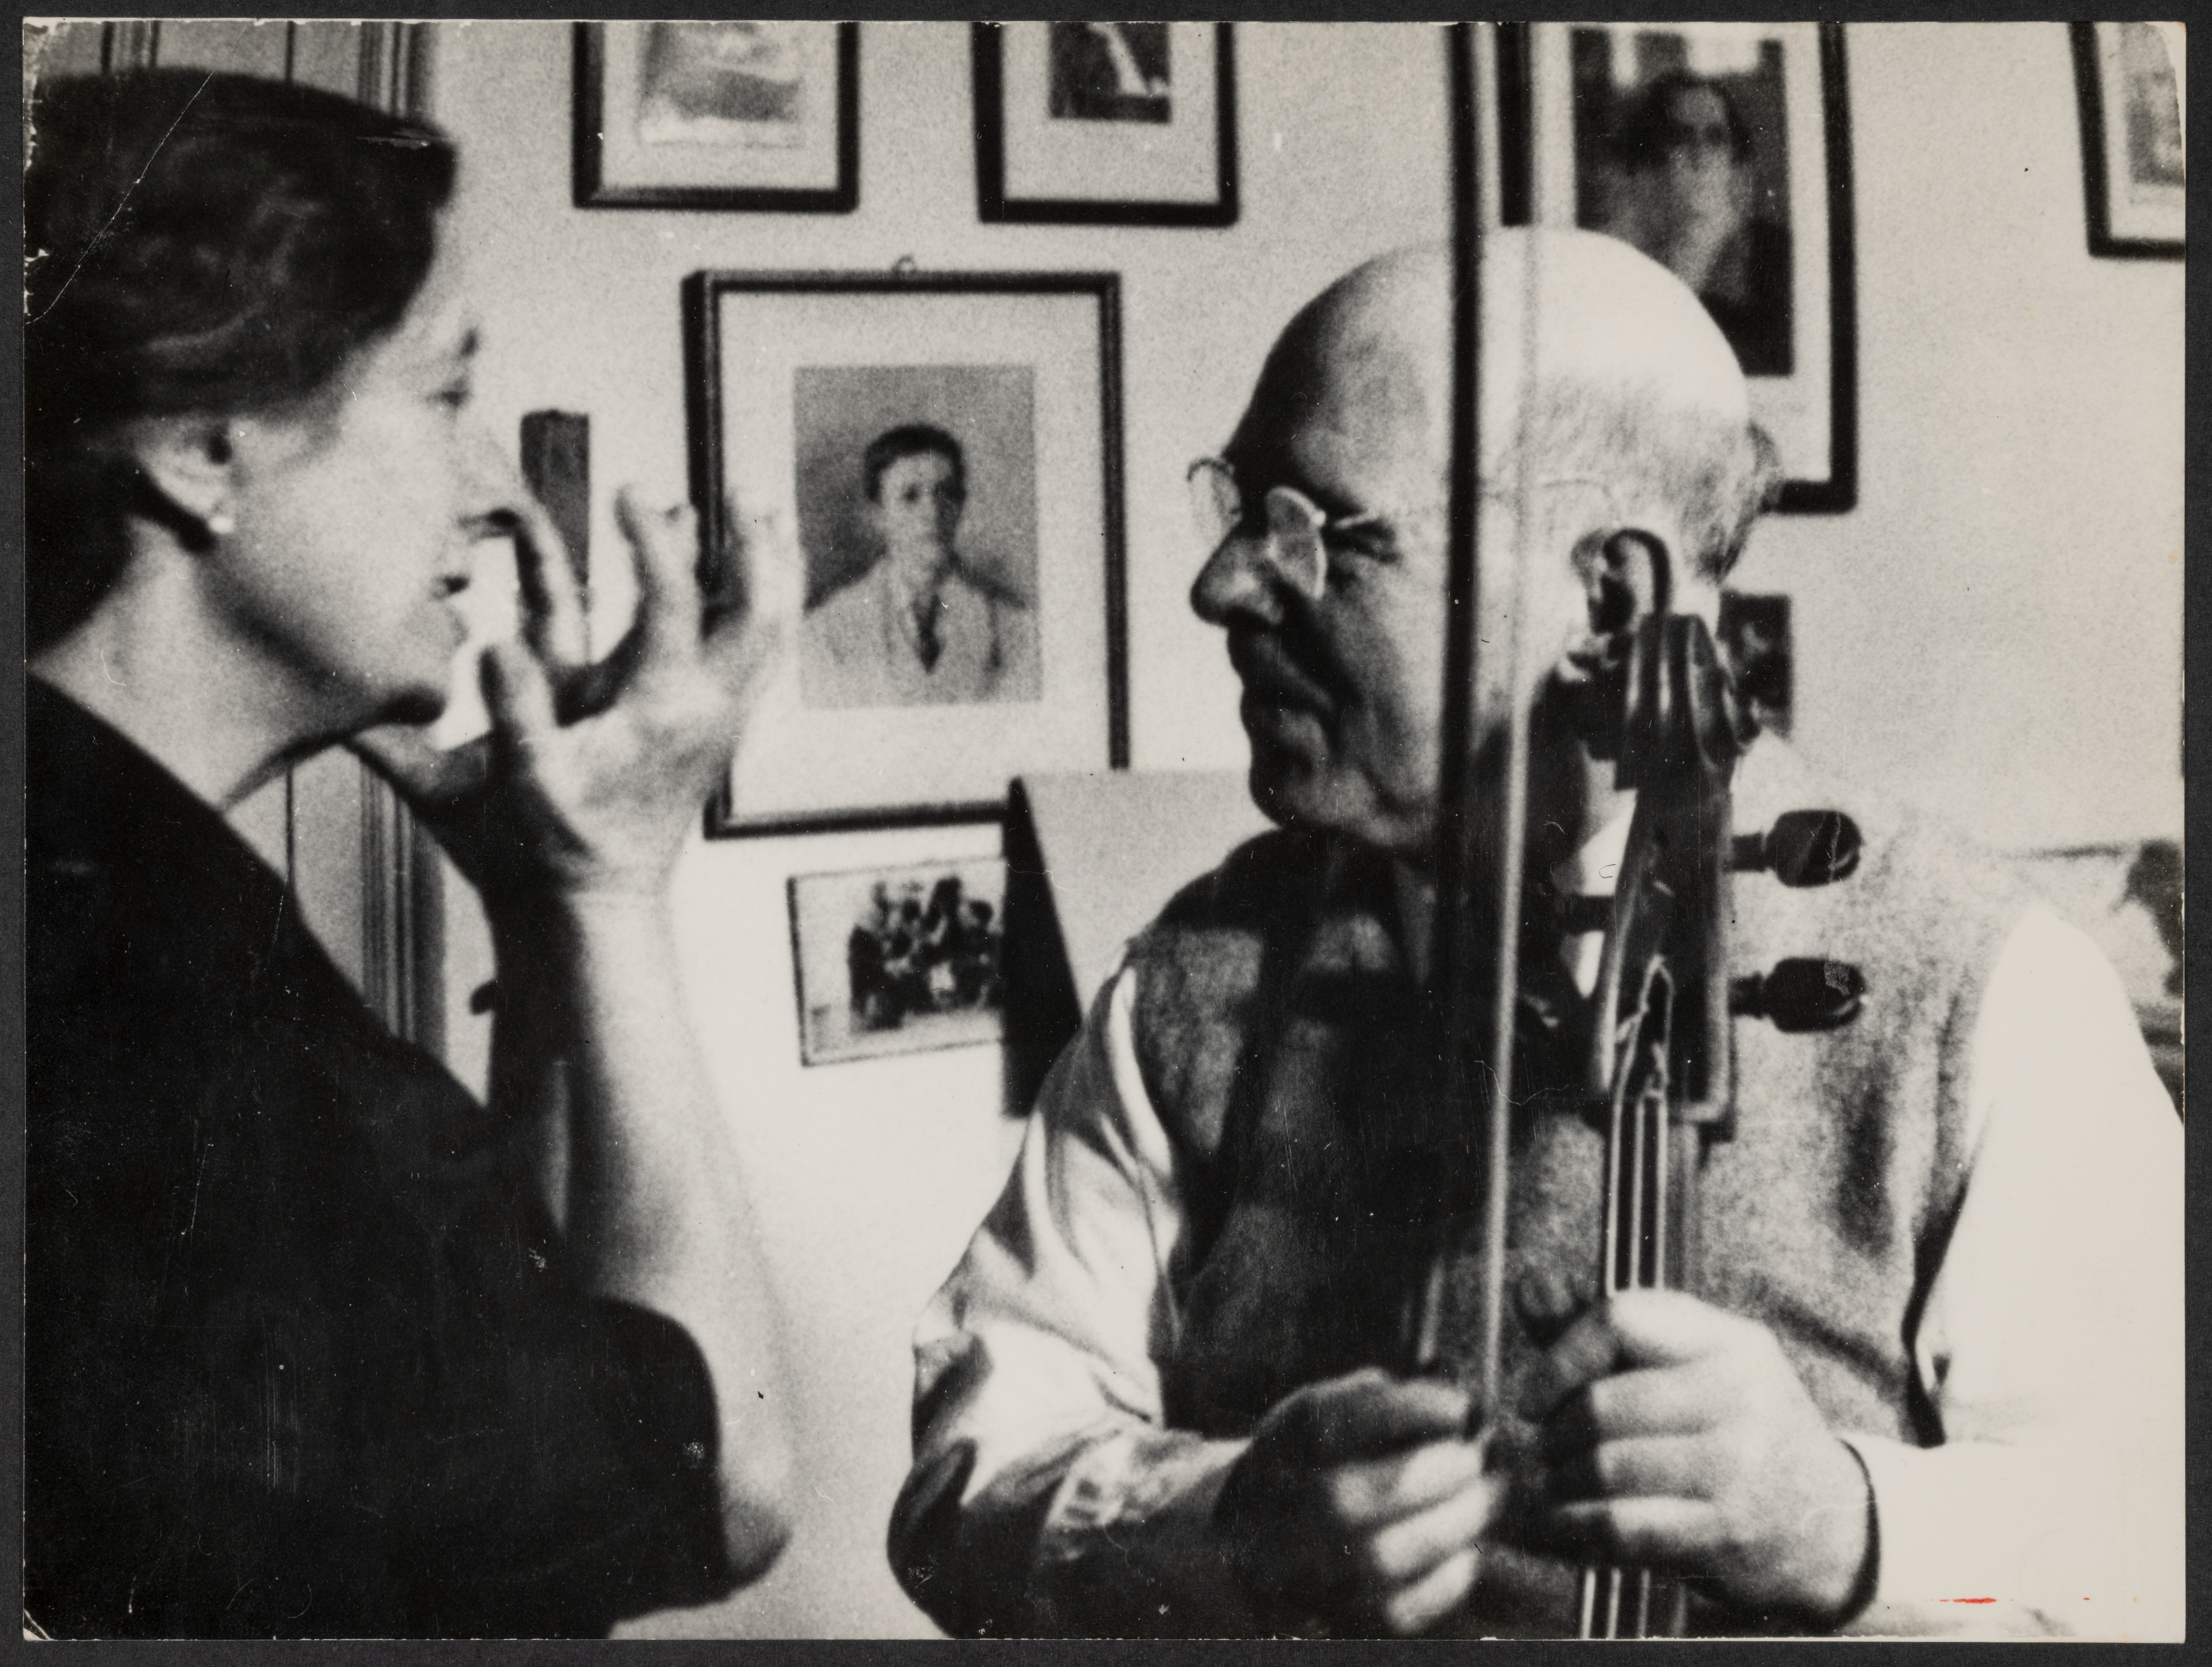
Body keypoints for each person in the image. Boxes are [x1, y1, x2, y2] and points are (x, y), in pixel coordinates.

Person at [887, 232, 2182, 1638]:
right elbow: (964, 1487)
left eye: (1315, 531)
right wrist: (1217, 1525)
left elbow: (2155, 1555)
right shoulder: (1197, 974)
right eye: (1240, 510)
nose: (1222, 586)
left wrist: (1847, 1525)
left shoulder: (1985, 987)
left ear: (1607, 601)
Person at [26, 70, 797, 1638]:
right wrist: (613, 886)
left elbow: (486, 1377)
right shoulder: (145, 1014)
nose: (499, 492)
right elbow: (716, 1481)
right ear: (207, 448)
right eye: (447, 397)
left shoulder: (105, 881)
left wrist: (534, 905)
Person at [800, 425, 1040, 710]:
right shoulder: (827, 632)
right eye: (910, 496)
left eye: (946, 494)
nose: (933, 513)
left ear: (961, 505)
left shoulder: (1013, 628)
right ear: (877, 514)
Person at [1600, 71, 1793, 378]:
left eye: (1716, 138)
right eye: (1680, 138)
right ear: (1652, 159)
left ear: (1734, 158)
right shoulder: (1624, 260)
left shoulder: (1774, 256)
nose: (1700, 155)